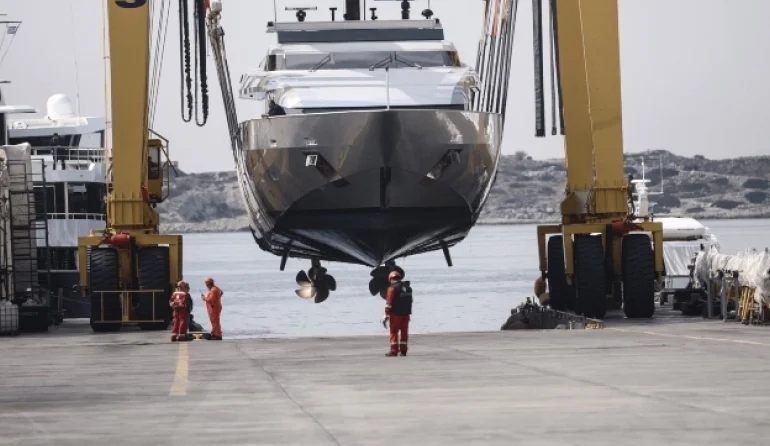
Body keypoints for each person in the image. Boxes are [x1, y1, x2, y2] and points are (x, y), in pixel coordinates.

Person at [382, 270, 412, 357]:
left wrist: (386, 315)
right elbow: (410, 301)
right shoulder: (408, 288)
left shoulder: (392, 288)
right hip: (406, 315)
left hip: (395, 315)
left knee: (394, 332)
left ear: (390, 279)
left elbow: (389, 303)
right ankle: (403, 351)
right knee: (404, 332)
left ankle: (394, 351)